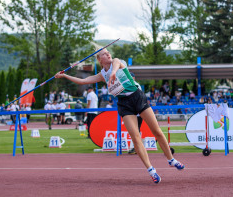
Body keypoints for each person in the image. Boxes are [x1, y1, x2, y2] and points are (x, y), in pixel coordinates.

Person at [55, 48, 184, 184]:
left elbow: (115, 64)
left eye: (108, 52)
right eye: (104, 54)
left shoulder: (118, 62)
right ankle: (151, 170)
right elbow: (84, 81)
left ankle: (171, 159)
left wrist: (114, 73)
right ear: (100, 60)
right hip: (124, 103)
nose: (108, 54)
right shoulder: (102, 75)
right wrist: (64, 76)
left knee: (156, 131)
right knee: (135, 138)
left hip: (137, 97)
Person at [128, 72, 143, 155]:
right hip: (133, 112)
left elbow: (138, 98)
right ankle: (137, 147)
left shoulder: (135, 85)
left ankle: (137, 147)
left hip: (137, 112)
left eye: (131, 77)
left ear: (134, 77)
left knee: (136, 130)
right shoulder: (129, 84)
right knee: (134, 130)